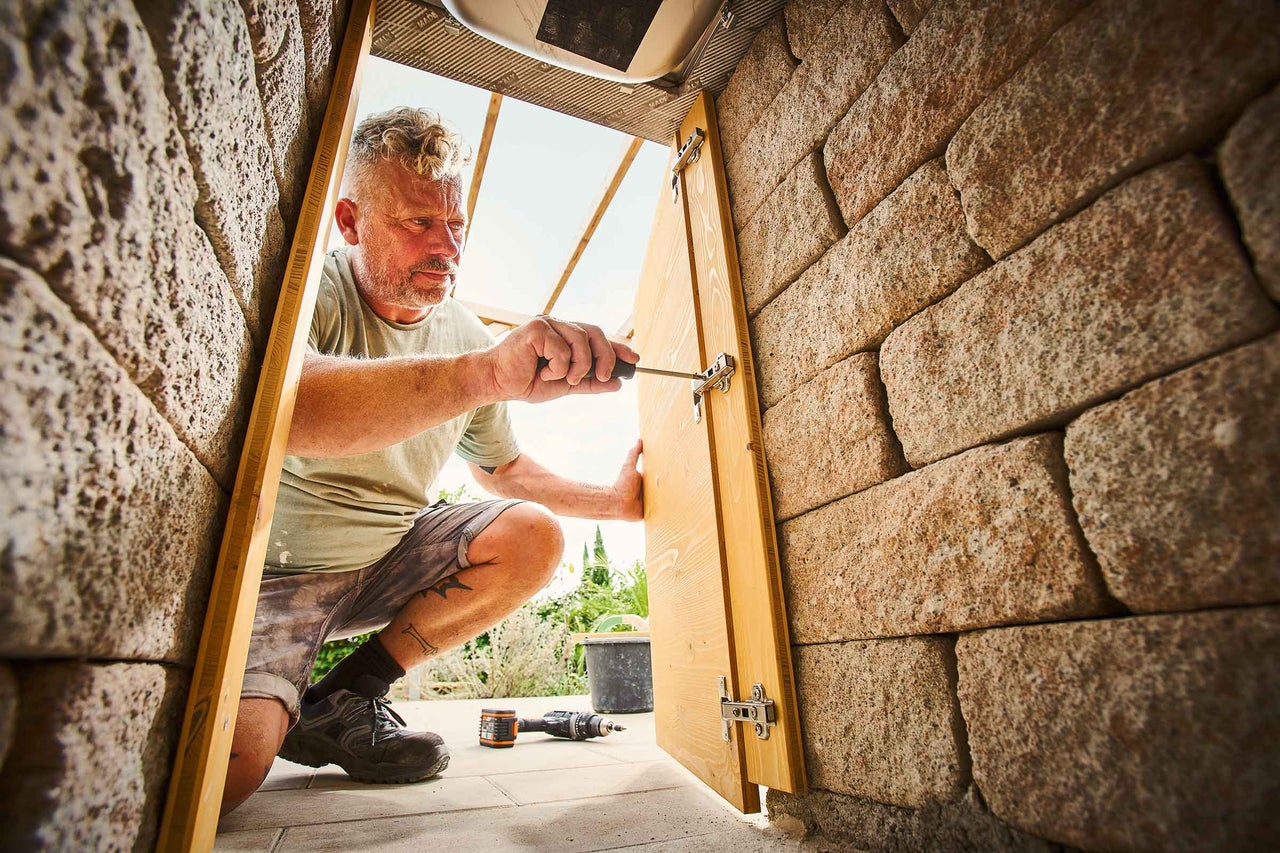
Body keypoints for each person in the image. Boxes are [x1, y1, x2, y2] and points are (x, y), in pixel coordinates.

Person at [221, 107, 643, 814]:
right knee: (229, 771)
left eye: (455, 226)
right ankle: (292, 709)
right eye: (417, 223)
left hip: (390, 558)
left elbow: (502, 471)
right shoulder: (312, 292)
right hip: (281, 574)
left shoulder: (464, 333)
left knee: (531, 534)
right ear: (351, 221)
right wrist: (485, 373)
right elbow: (288, 408)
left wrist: (616, 503)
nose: (445, 246)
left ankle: (348, 695)